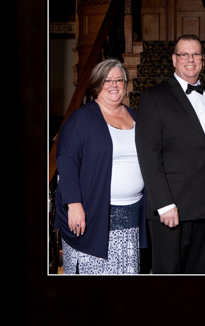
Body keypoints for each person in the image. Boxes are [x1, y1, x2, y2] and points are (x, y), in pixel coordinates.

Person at [54, 60, 146, 274]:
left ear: (125, 84)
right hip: (92, 215)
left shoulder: (136, 117)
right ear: (97, 85)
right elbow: (66, 162)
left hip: (131, 216)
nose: (114, 85)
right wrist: (74, 204)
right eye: (108, 80)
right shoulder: (81, 119)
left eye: (119, 80)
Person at [136, 34, 205, 273]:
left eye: (195, 54)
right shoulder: (154, 97)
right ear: (174, 59)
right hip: (172, 210)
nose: (190, 60)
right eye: (184, 54)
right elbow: (148, 155)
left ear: (203, 60)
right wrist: (163, 204)